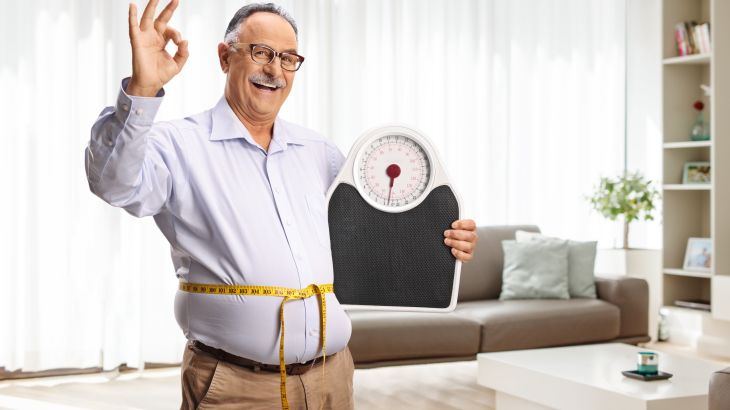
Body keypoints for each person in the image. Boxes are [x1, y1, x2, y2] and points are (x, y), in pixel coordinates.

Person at [84, 1, 478, 409]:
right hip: (235, 387)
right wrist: (143, 90)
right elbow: (115, 185)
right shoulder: (178, 145)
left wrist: (443, 242)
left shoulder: (320, 152)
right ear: (224, 57)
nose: (275, 70)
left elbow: (368, 246)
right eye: (261, 53)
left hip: (332, 378)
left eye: (288, 59)